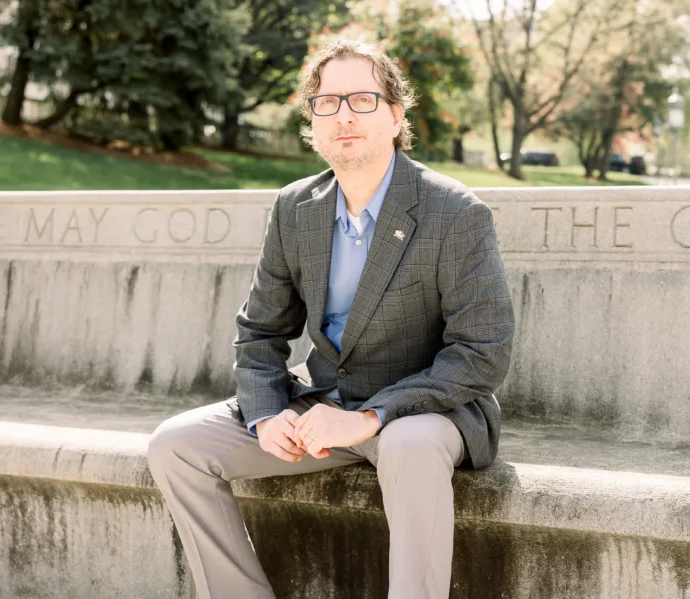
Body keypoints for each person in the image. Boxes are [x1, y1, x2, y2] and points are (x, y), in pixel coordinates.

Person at [147, 39, 515, 599]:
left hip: (421, 411)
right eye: (327, 102)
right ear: (312, 122)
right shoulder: (295, 208)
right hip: (324, 406)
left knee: (408, 447)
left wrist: (371, 417)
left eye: (362, 100)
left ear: (395, 115)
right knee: (175, 445)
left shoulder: (454, 213)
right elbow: (260, 333)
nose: (343, 115)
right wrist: (268, 415)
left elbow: (482, 352)